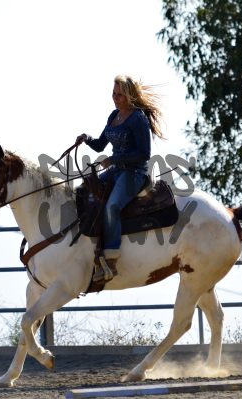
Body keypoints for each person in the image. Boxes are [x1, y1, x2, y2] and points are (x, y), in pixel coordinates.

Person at [75, 75, 164, 282]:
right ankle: (87, 245)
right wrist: (86, 139)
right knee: (83, 191)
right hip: (117, 171)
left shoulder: (138, 119)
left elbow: (144, 154)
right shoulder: (114, 116)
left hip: (134, 173)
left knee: (112, 207)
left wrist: (115, 159)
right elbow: (100, 145)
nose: (115, 98)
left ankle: (111, 258)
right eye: (114, 93)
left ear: (129, 95)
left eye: (120, 95)